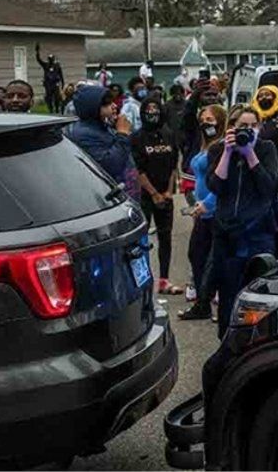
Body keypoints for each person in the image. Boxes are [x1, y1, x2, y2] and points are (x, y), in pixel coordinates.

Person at [207, 107, 278, 336]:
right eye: (242, 127)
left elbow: (269, 188)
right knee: (229, 294)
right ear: (231, 128)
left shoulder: (266, 149)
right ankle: (228, 340)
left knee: (261, 293)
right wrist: (228, 153)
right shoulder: (218, 149)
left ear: (259, 127)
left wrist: (250, 154)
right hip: (228, 235)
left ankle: (262, 340)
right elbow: (215, 186)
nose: (247, 131)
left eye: (252, 126)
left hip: (258, 233)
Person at [177, 104, 226, 321]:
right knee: (196, 255)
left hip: (215, 209)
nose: (206, 123)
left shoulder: (222, 147)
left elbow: (222, 180)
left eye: (211, 119)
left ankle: (218, 301)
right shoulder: (204, 145)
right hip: (201, 211)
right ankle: (202, 303)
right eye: (203, 119)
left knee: (215, 261)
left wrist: (208, 202)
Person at [130, 96, 182, 295]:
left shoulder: (168, 134)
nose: (152, 113)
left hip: (165, 194)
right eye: (148, 110)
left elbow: (172, 165)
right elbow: (138, 170)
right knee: (141, 240)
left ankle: (164, 280)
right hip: (145, 195)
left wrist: (168, 192)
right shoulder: (137, 137)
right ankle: (142, 281)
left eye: (156, 109)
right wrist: (153, 194)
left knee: (165, 237)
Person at [68, 84, 139, 199]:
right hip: (113, 198)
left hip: (128, 194)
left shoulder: (104, 126)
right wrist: (122, 134)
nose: (114, 106)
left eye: (113, 101)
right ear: (92, 107)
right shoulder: (84, 134)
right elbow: (111, 165)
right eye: (107, 104)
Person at [34, 43, 65, 114]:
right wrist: (37, 52)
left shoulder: (57, 66)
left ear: (53, 59)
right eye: (49, 59)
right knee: (49, 98)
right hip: (48, 84)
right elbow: (39, 60)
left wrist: (63, 84)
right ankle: (51, 110)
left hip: (55, 84)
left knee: (57, 98)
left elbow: (61, 75)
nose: (51, 60)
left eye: (52, 59)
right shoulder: (45, 65)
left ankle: (57, 110)